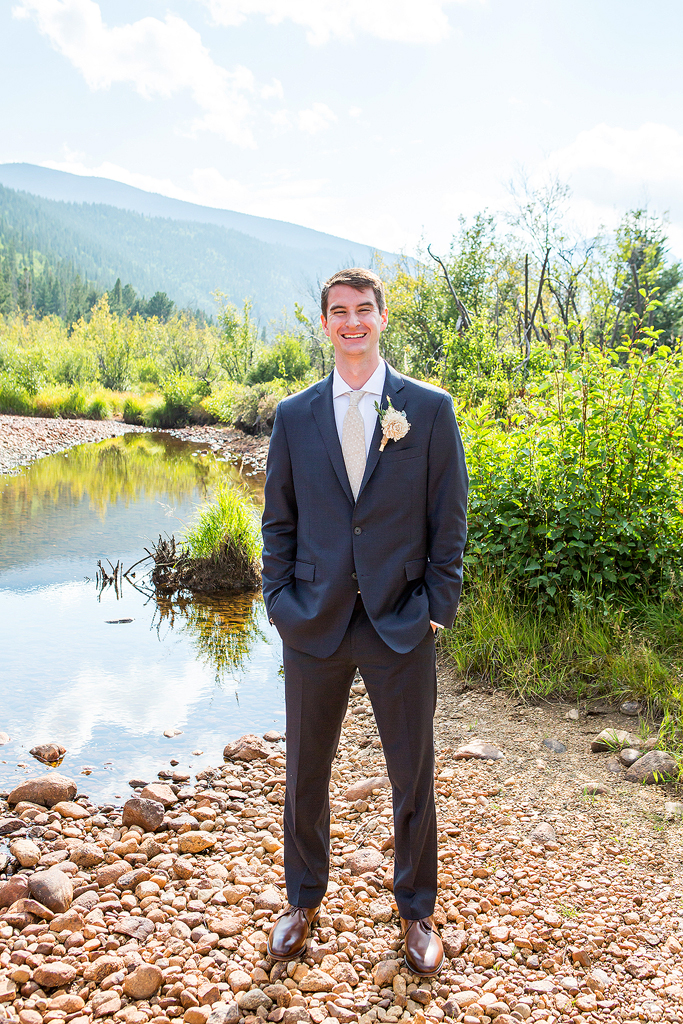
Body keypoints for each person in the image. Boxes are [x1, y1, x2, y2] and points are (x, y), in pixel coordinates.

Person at [260, 267, 468, 976]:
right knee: (304, 773)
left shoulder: (428, 410)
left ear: (382, 318)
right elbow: (278, 524)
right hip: (312, 622)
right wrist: (279, 604)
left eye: (362, 310)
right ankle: (301, 901)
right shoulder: (292, 415)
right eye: (337, 312)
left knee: (412, 775)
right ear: (324, 324)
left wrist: (437, 608)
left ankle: (416, 912)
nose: (351, 322)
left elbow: (449, 518)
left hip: (399, 621)